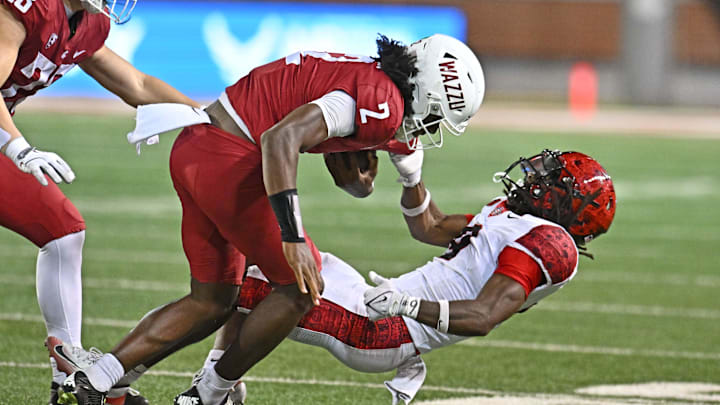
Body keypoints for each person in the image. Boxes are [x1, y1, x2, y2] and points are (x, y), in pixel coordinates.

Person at [59, 33, 486, 405]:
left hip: (198, 146)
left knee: (211, 301)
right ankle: (210, 394)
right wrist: (292, 234)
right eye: (437, 114)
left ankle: (97, 380)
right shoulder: (382, 102)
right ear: (429, 91)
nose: (432, 127)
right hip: (230, 158)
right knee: (301, 287)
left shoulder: (381, 95)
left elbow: (417, 218)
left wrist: (491, 224)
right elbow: (280, 138)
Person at [191, 149, 616, 405]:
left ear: (569, 206)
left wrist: (406, 305)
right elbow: (429, 226)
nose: (535, 181)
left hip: (383, 329)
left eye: (550, 182)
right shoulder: (512, 216)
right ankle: (218, 381)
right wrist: (411, 174)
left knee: (234, 285)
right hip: (380, 304)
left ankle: (202, 389)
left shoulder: (550, 243)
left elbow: (484, 316)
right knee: (256, 255)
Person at [0, 0, 199, 403]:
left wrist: (208, 119)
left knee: (62, 231)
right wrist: (19, 148)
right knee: (61, 229)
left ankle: (70, 376)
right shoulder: (24, 9)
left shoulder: (85, 24)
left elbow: (138, 86)